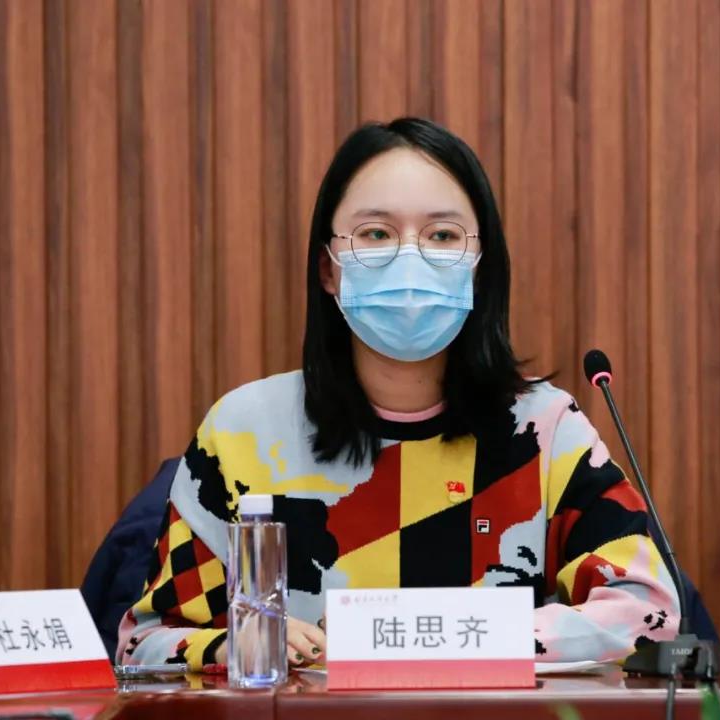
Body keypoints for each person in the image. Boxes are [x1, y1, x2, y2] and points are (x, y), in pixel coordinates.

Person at [117, 117, 679, 670]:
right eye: (376, 234)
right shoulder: (243, 431)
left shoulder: (545, 430)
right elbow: (145, 644)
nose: (410, 258)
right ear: (328, 269)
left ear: (479, 268)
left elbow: (646, 611)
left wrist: (453, 638)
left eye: (443, 236)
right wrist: (234, 646)